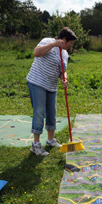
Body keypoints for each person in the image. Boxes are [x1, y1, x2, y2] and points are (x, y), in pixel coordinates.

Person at [26, 27, 77, 156]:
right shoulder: (47, 41)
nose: (71, 45)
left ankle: (50, 140)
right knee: (39, 111)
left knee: (52, 111)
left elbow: (62, 70)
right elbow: (36, 53)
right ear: (64, 40)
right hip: (37, 82)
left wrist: (64, 78)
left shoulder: (64, 53)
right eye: (70, 42)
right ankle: (36, 145)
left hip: (51, 85)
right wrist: (54, 44)